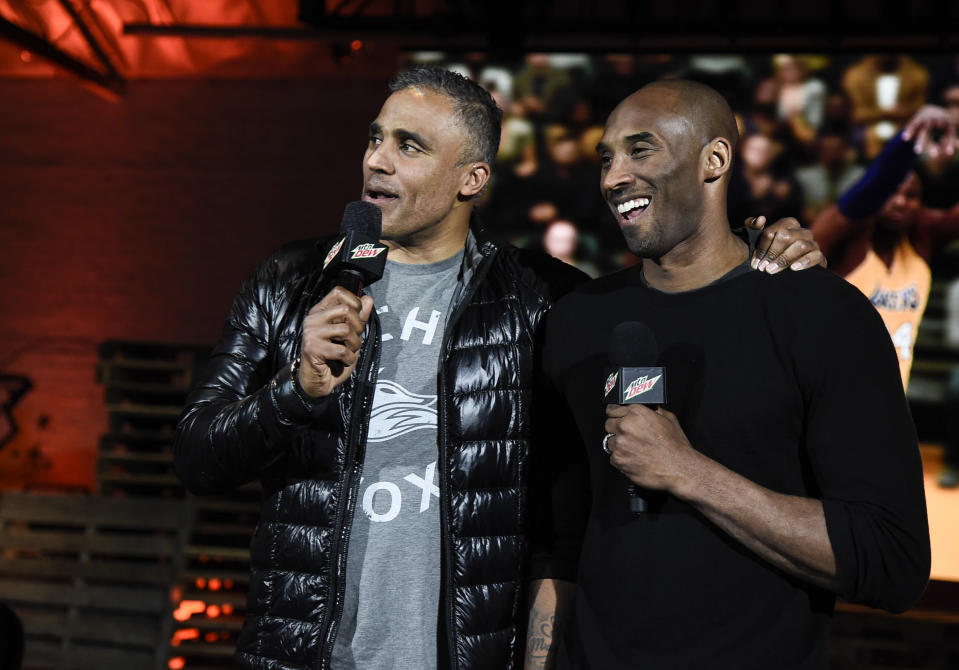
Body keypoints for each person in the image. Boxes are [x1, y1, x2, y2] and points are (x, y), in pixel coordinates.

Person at [173, 67, 825, 670]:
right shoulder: (291, 283)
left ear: (471, 180)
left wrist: (764, 253)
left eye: (408, 146)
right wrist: (295, 390)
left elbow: (560, 519)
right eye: (375, 138)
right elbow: (197, 457)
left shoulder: (540, 303)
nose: (375, 160)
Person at [540, 80, 931, 669]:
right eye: (606, 157)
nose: (613, 176)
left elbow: (890, 560)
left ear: (715, 160)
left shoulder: (822, 315)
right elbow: (560, 546)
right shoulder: (577, 321)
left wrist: (686, 471)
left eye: (640, 150)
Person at [810, 104, 959, 389]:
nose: (901, 201)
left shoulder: (921, 237)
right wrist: (910, 137)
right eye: (892, 193)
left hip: (889, 408)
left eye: (911, 196)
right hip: (829, 399)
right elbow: (870, 190)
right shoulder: (841, 233)